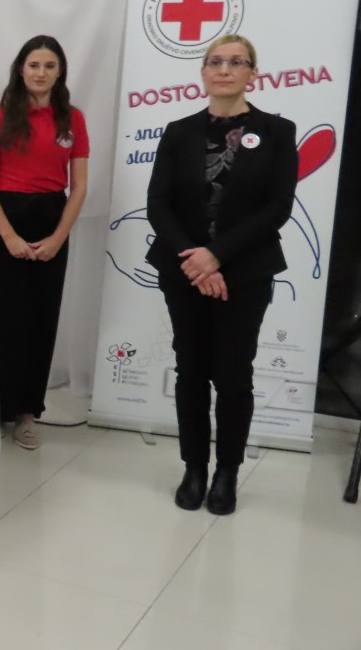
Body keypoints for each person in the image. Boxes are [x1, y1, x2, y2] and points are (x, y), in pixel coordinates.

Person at [147, 34, 296, 516]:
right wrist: (197, 261)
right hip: (184, 270)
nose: (224, 69)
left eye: (236, 62)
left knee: (233, 376)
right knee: (190, 371)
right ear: (203, 72)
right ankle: (194, 468)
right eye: (215, 61)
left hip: (245, 273)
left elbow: (277, 207)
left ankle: (227, 472)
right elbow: (158, 204)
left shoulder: (278, 131)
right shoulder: (178, 132)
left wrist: (216, 256)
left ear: (253, 73)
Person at [0, 35, 89, 450]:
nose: (41, 73)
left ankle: (26, 413)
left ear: (60, 72)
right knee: (0, 318)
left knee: (41, 319)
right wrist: (9, 236)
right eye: (34, 65)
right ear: (21, 70)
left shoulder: (72, 120)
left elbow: (79, 188)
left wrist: (58, 237)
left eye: (50, 66)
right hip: (4, 220)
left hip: (50, 219)